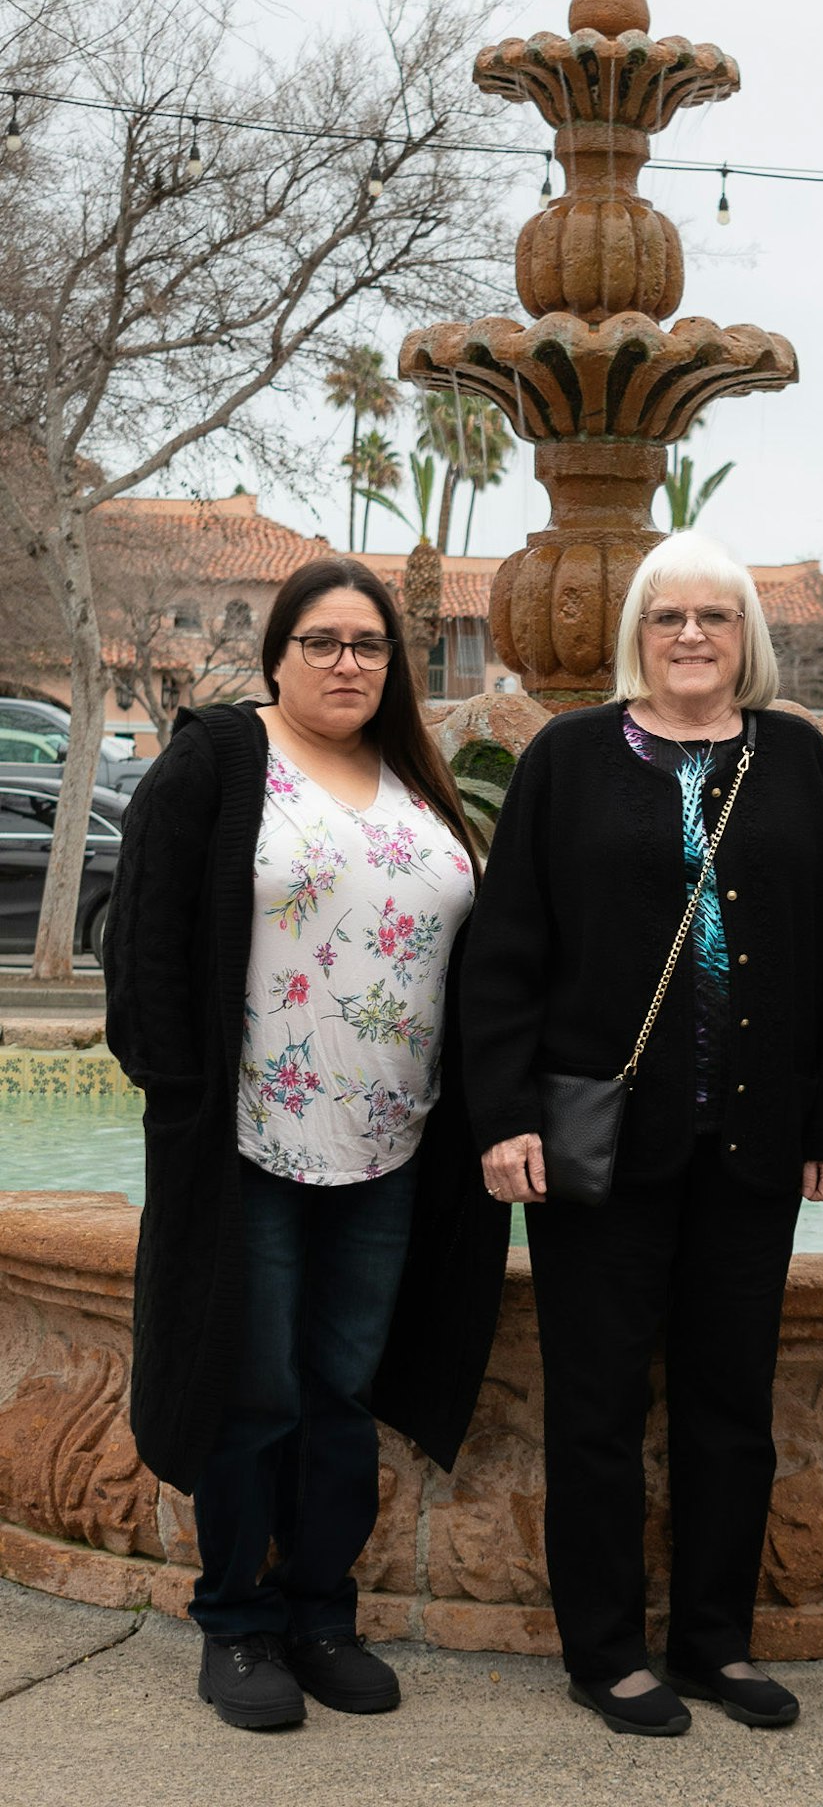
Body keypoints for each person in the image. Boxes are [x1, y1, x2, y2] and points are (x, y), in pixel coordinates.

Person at [105, 556, 507, 1732]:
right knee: (255, 1384)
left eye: (370, 644)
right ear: (278, 652)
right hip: (249, 1137)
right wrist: (177, 1094)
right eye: (324, 640)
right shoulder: (224, 758)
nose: (348, 662)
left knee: (341, 1385)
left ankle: (322, 1611)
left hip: (393, 1140)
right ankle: (236, 1621)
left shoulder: (414, 778)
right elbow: (146, 939)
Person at [461, 530, 823, 1739]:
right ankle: (609, 1650)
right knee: (596, 1399)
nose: (692, 636)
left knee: (732, 1399)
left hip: (751, 1142)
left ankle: (716, 1643)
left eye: (715, 618)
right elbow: (505, 948)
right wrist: (505, 1113)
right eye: (669, 616)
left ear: (748, 637)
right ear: (637, 628)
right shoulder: (570, 757)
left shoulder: (791, 757)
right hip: (600, 1144)